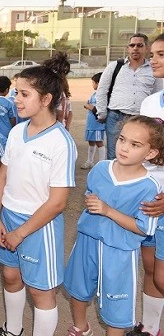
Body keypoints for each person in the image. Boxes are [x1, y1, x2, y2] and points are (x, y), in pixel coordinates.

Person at [0, 52, 77, 336]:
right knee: (11, 276)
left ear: (46, 99)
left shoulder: (61, 142)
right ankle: (12, 330)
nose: (17, 99)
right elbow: (3, 173)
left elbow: (58, 202)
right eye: (16, 92)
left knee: (41, 293)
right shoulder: (17, 131)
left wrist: (21, 232)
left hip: (39, 226)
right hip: (9, 217)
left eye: (24, 94)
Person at [64, 115, 162, 336]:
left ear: (150, 153)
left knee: (116, 307)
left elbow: (143, 228)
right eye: (122, 139)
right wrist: (93, 204)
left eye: (135, 145)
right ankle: (81, 328)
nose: (124, 148)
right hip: (87, 242)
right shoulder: (100, 168)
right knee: (78, 290)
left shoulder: (149, 187)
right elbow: (91, 197)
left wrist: (108, 210)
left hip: (119, 253)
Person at [131, 33, 164, 336]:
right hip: (149, 196)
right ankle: (150, 328)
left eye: (161, 54)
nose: (153, 59)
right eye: (153, 54)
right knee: (150, 267)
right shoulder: (151, 101)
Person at [95, 33, 162, 160]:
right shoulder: (115, 66)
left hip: (140, 119)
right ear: (128, 48)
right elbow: (102, 90)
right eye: (132, 45)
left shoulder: (153, 69)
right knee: (113, 154)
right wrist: (102, 112)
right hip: (115, 117)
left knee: (138, 156)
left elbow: (157, 95)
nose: (135, 48)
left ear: (146, 48)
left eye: (139, 45)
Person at [80, 72, 106, 170]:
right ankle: (90, 161)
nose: (92, 85)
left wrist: (88, 106)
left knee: (99, 142)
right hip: (91, 124)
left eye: (93, 83)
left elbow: (98, 109)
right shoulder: (95, 94)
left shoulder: (101, 95)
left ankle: (101, 163)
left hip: (97, 124)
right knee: (91, 141)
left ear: (98, 83)